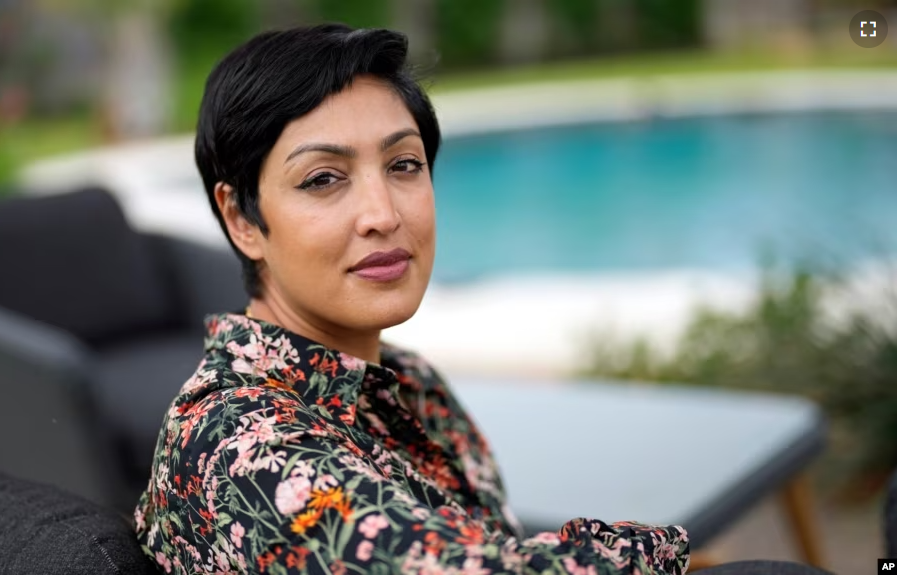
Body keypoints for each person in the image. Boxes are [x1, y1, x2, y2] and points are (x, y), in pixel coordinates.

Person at [133, 24, 693, 574]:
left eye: (403, 165)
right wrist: (677, 553)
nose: (384, 215)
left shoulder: (410, 381)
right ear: (241, 219)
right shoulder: (238, 444)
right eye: (323, 179)